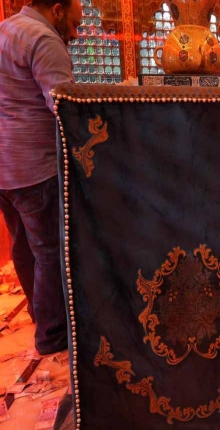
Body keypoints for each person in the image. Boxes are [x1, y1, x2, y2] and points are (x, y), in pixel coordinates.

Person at [0, 0, 83, 355]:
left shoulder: (6, 30)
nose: (76, 34)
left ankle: (40, 314)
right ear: (58, 10)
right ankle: (52, 336)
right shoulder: (43, 39)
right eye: (75, 24)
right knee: (51, 251)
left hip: (5, 167)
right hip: (34, 166)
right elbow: (66, 108)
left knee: (23, 245)